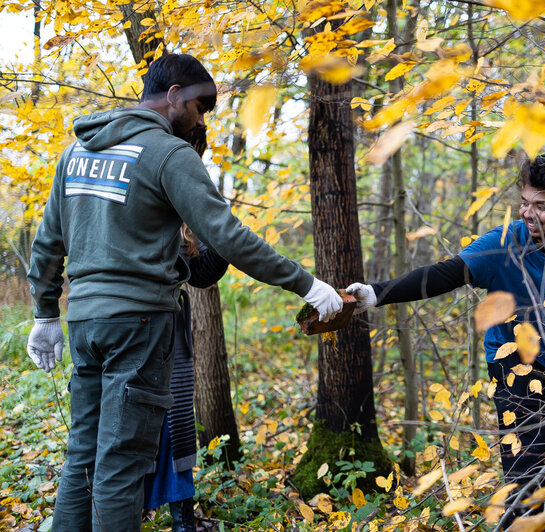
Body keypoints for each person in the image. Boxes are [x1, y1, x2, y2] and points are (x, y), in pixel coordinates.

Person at [25, 53, 343, 532]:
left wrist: (45, 313)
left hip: (84, 322)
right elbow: (230, 236)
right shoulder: (168, 155)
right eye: (199, 108)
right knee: (120, 463)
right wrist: (307, 284)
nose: (199, 120)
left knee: (83, 455)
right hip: (139, 323)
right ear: (174, 95)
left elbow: (49, 243)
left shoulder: (77, 153)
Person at [346, 155, 545, 520]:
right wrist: (375, 294)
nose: (528, 213)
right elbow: (445, 274)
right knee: (525, 482)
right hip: (515, 371)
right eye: (524, 202)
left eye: (541, 206)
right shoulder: (504, 242)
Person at [142, 227, 228, 532]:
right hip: (135, 329)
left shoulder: (185, 220)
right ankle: (130, 513)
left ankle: (183, 522)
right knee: (140, 423)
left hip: (172, 332)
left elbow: (203, 270)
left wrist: (224, 234)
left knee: (175, 424)